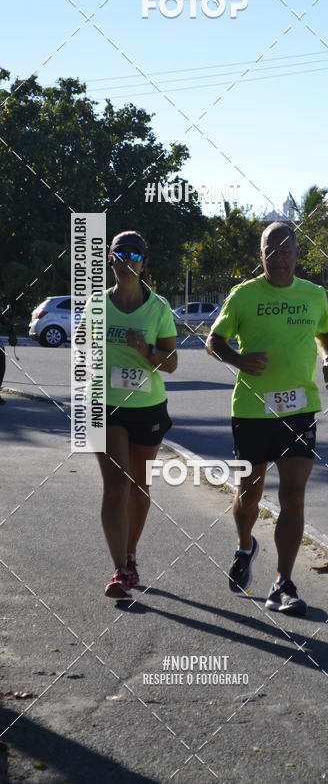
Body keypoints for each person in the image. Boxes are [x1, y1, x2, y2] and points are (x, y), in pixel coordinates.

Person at [206, 222, 328, 615]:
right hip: (251, 411)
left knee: (293, 495)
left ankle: (283, 582)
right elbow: (214, 341)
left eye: (286, 251)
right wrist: (239, 360)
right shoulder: (243, 295)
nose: (278, 257)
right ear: (260, 255)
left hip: (299, 409)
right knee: (250, 491)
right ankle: (245, 544)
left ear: (297, 254)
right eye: (271, 250)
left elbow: (324, 332)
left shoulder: (314, 294)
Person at [93, 231, 178, 598]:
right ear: (110, 259)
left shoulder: (158, 308)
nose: (128, 260)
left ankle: (130, 553)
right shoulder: (96, 306)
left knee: (140, 488)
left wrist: (145, 349)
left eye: (135, 254)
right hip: (106, 406)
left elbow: (171, 363)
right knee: (116, 485)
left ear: (144, 262)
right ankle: (120, 569)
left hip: (147, 407)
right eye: (120, 253)